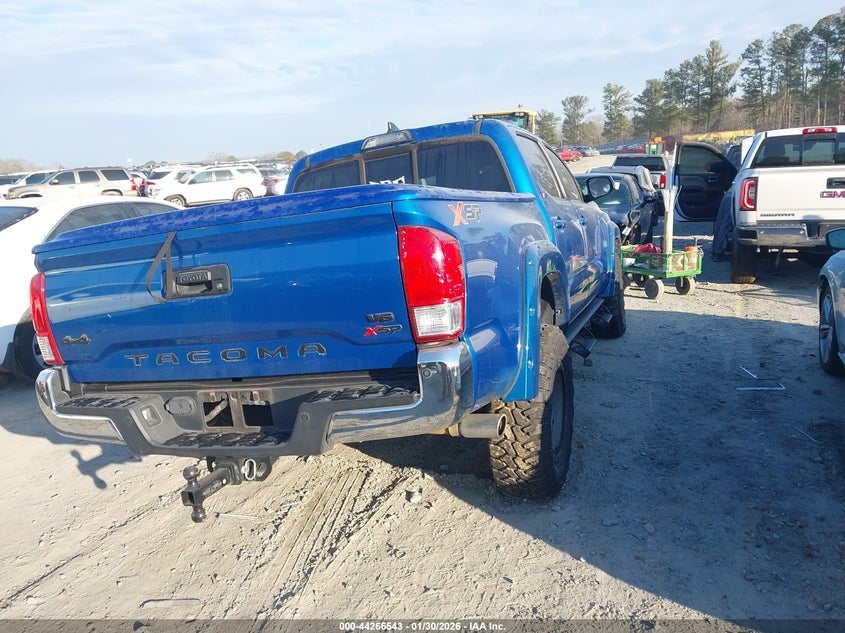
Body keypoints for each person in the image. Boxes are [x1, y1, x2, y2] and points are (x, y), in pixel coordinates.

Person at [712, 185, 734, 261]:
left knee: (720, 224)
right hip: (734, 196)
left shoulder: (741, 173)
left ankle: (715, 250)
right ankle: (718, 253)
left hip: (728, 194)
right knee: (726, 226)